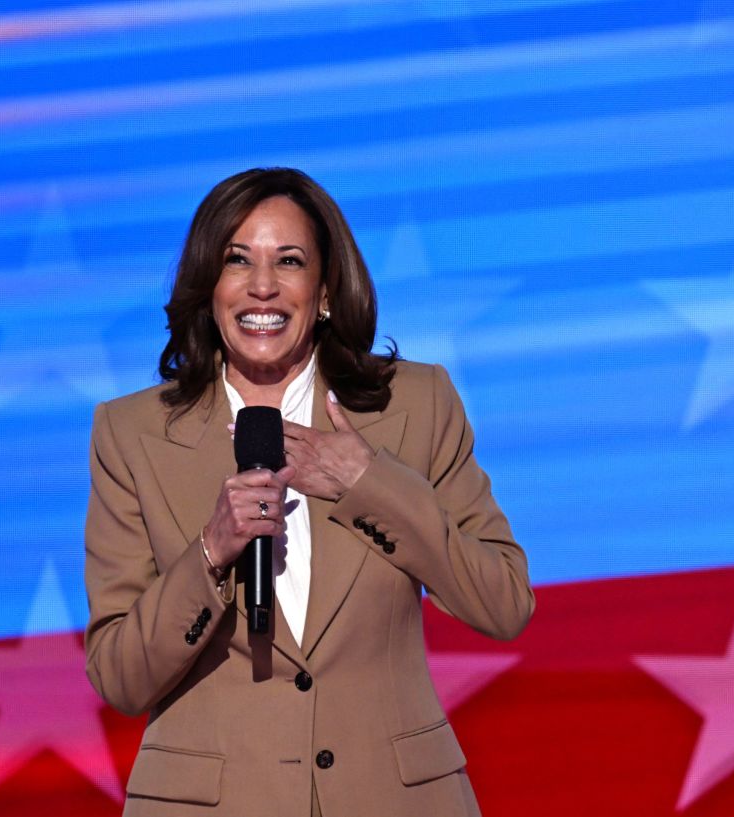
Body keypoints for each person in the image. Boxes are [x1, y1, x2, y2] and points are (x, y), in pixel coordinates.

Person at [84, 167, 533, 817]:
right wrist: (211, 549)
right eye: (238, 259)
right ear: (209, 286)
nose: (261, 285)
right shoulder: (131, 433)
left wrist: (369, 482)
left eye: (288, 261)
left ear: (323, 292)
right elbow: (119, 676)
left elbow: (505, 602)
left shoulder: (416, 403)